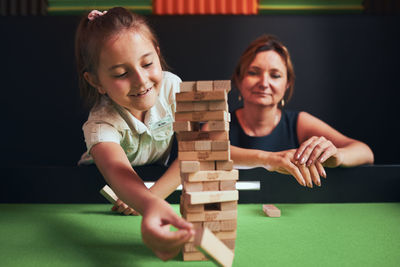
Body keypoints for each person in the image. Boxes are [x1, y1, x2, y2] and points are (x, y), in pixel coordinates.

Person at [75, 7, 193, 260]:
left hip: (151, 186)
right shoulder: (100, 124)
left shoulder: (174, 87)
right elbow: (117, 170)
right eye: (121, 74)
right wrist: (150, 205)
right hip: (91, 192)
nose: (141, 80)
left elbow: (193, 153)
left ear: (158, 55)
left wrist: (151, 200)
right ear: (96, 81)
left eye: (148, 63)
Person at [228, 34, 374, 188]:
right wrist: (268, 159)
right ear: (239, 79)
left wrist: (338, 155)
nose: (264, 83)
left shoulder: (298, 123)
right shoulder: (219, 125)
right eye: (253, 73)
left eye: (275, 75)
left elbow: (365, 152)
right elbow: (204, 155)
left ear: (287, 84)